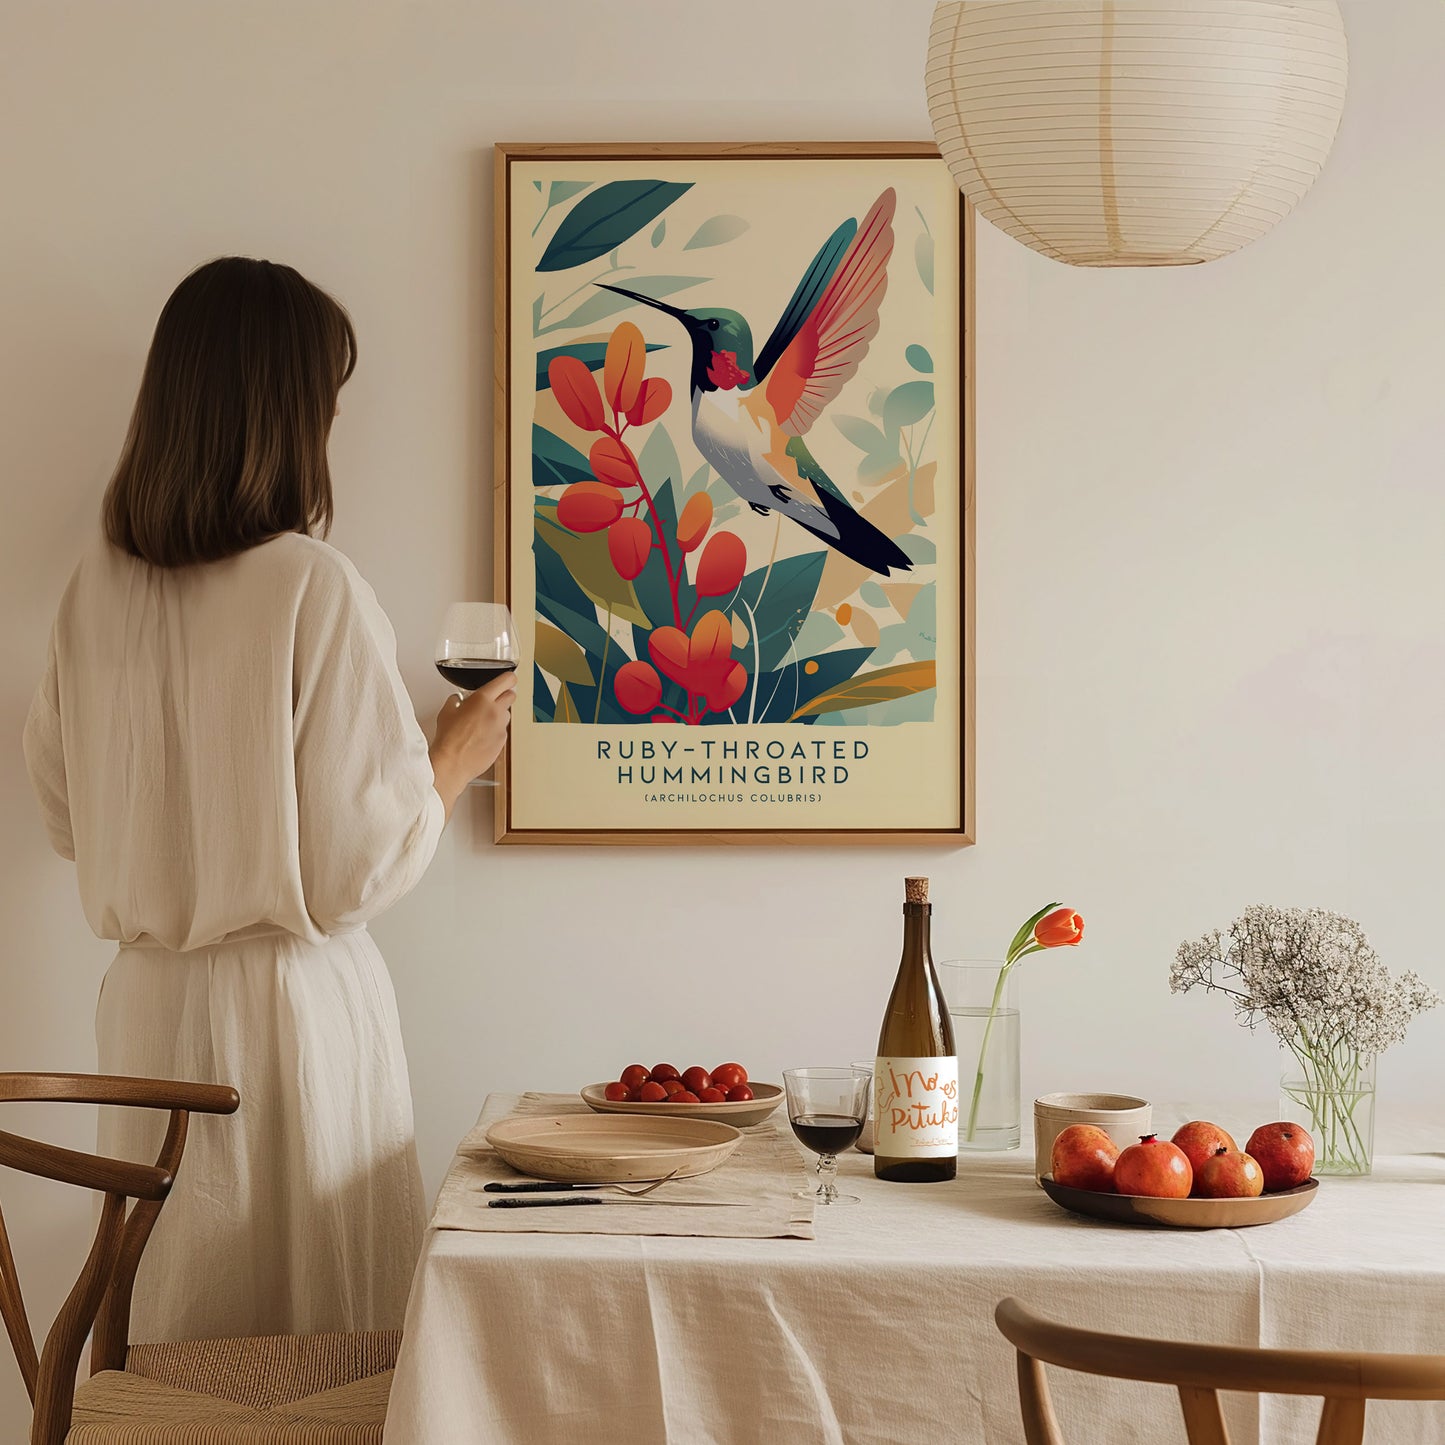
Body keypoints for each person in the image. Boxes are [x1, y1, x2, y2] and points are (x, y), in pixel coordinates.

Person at [21, 256, 513, 1341]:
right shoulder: (310, 583)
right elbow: (351, 872)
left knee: (176, 1329)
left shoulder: (92, 591)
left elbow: (64, 817)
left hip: (146, 1010)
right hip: (288, 1020)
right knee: (313, 1344)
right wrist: (450, 757)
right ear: (287, 413)